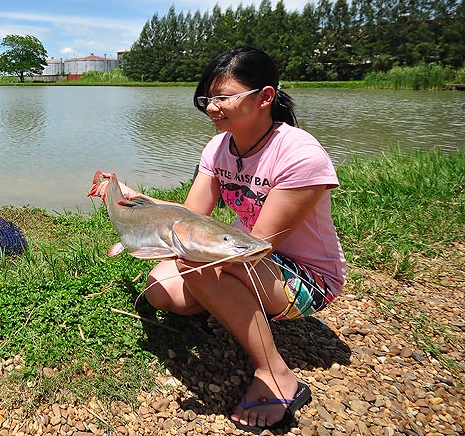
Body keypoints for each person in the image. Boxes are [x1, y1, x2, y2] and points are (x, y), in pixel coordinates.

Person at [119, 46, 346, 432]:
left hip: (304, 277)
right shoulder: (219, 147)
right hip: (252, 260)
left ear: (265, 97)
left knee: (196, 261)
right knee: (161, 292)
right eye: (208, 98)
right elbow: (192, 216)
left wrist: (200, 257)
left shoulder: (299, 154)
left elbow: (260, 245)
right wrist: (137, 200)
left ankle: (276, 375)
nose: (211, 107)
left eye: (223, 97)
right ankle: (235, 308)